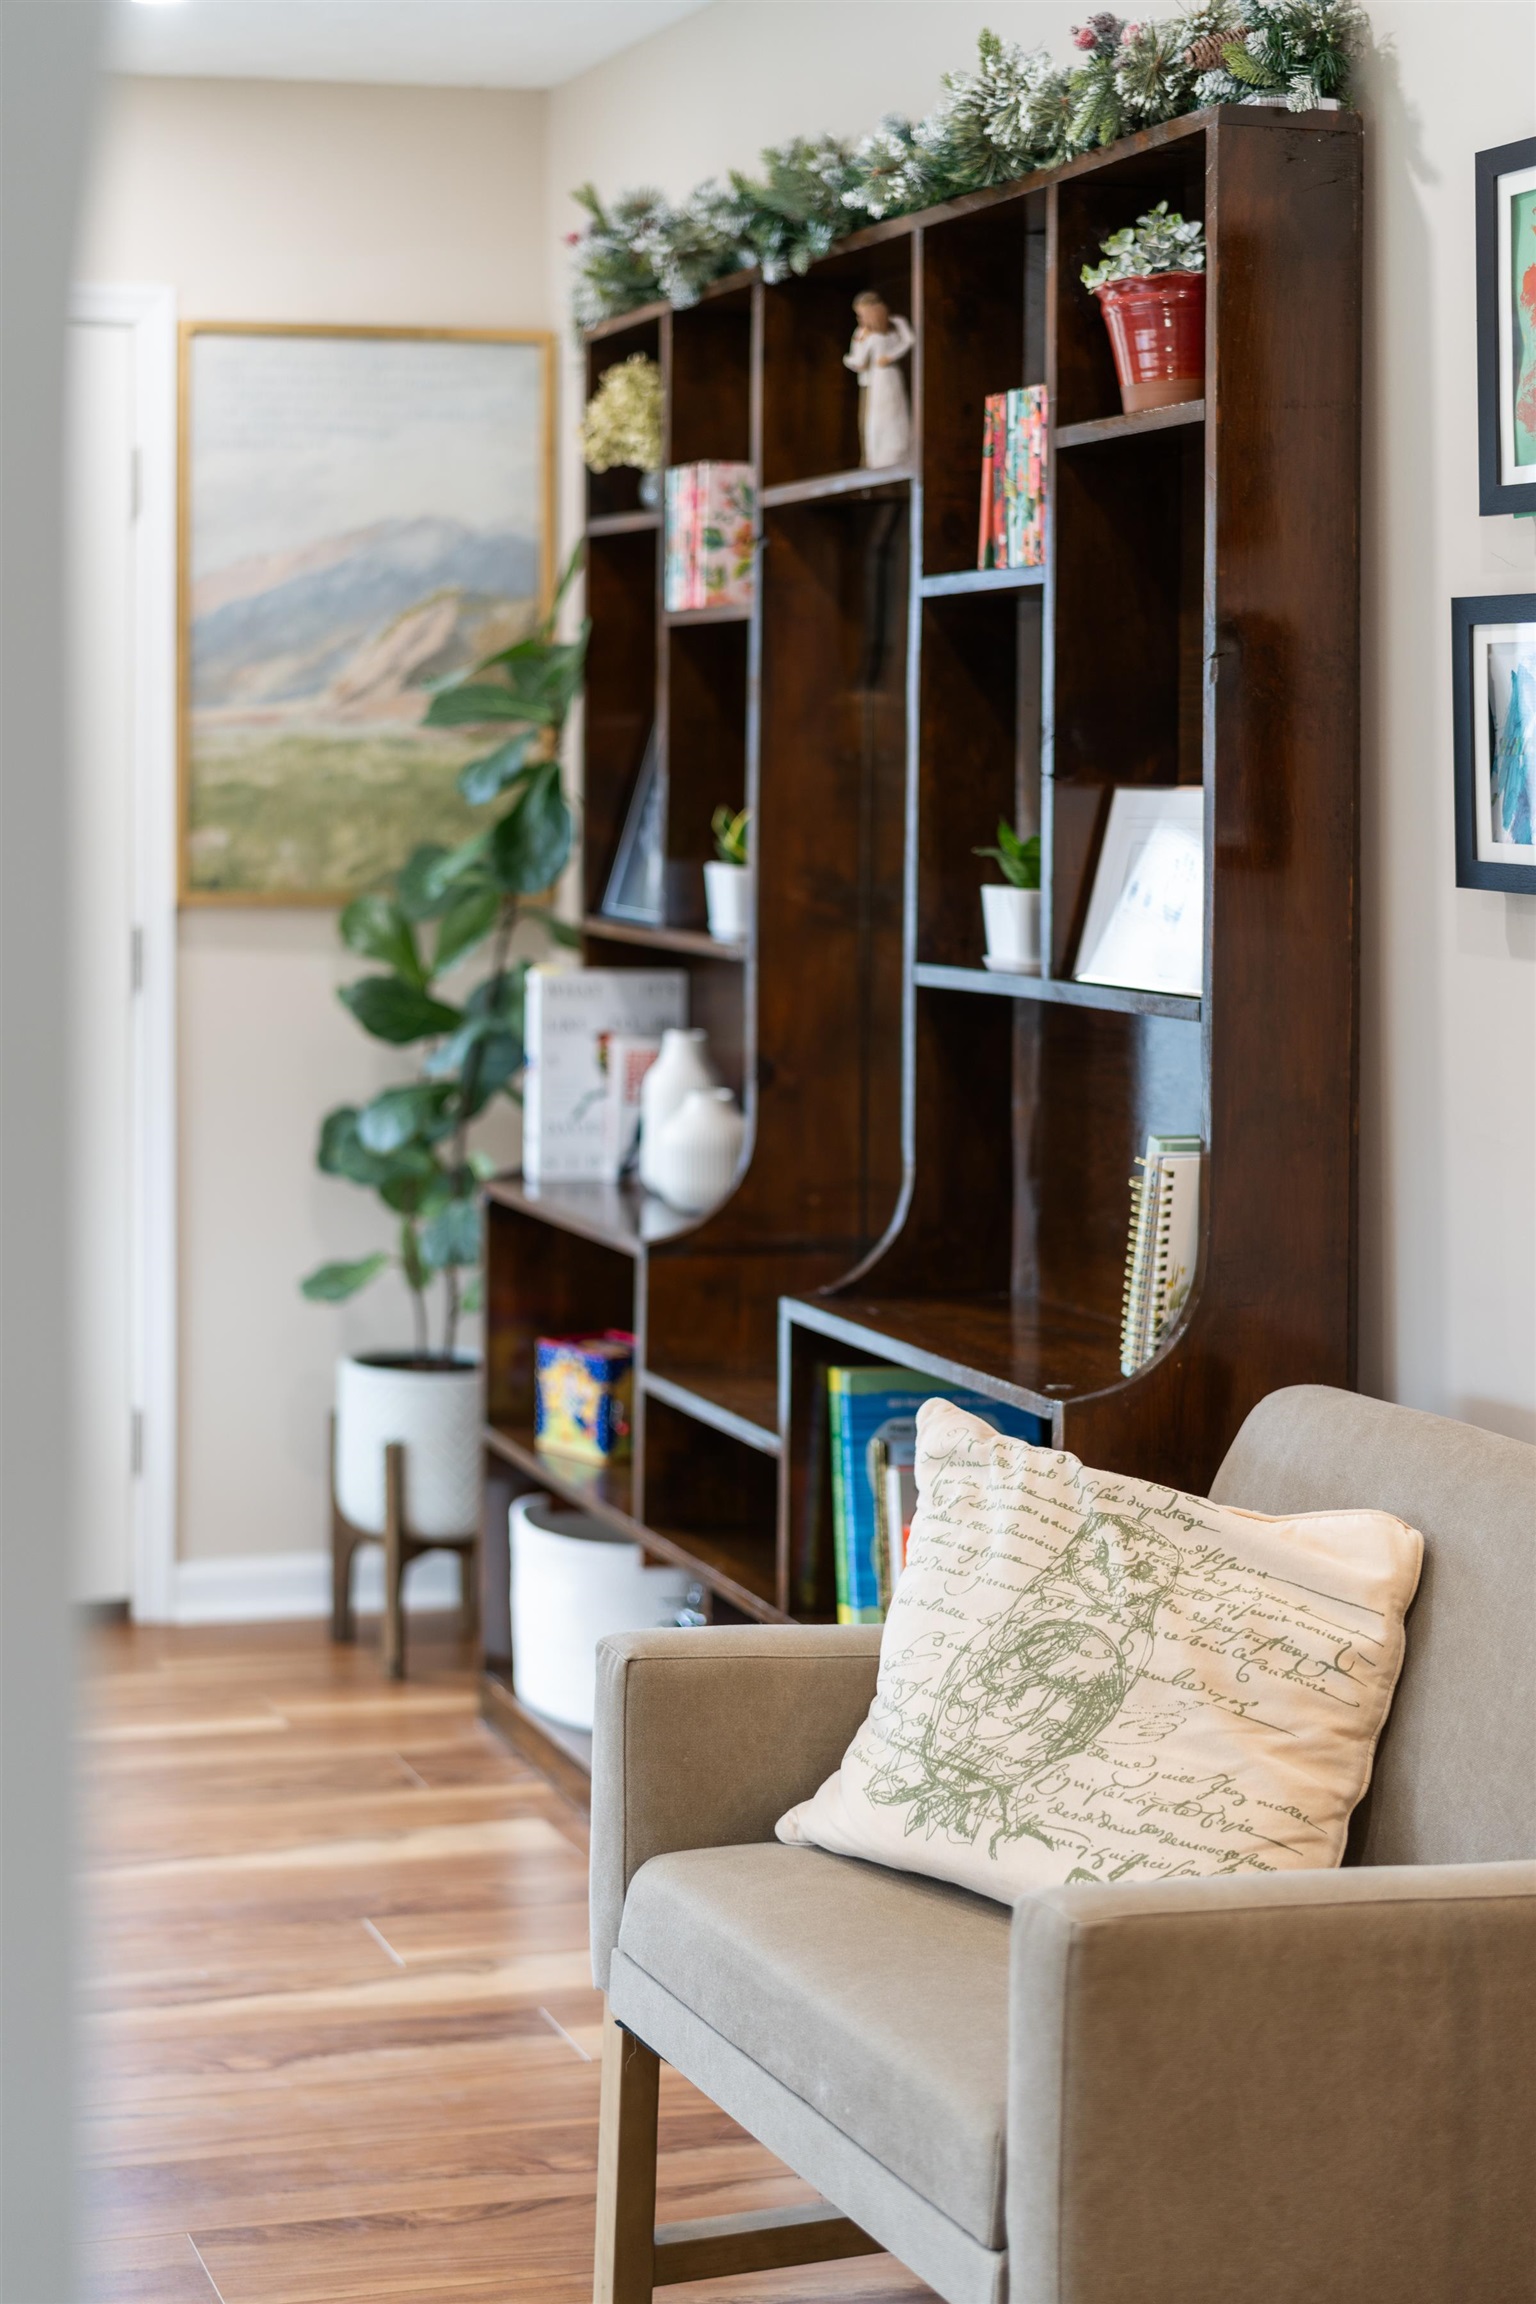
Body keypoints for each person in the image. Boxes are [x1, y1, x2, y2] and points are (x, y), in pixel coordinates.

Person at [844, 290, 914, 469]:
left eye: (862, 314)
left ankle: (893, 454)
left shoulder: (892, 325)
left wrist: (889, 357)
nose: (861, 319)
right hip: (875, 380)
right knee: (875, 419)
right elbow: (859, 360)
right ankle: (875, 458)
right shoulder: (863, 333)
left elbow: (909, 340)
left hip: (885, 379)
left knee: (889, 415)